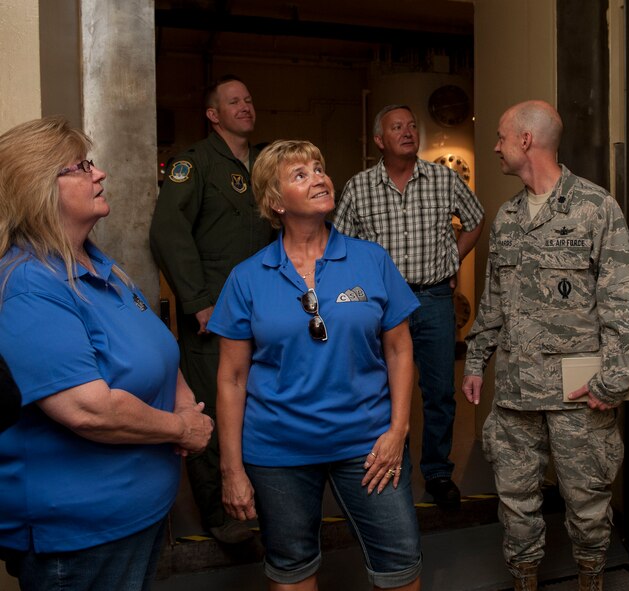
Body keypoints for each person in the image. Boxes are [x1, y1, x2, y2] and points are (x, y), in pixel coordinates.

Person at [0, 116, 213, 590]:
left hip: (134, 517)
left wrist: (182, 406)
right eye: (80, 167)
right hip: (81, 536)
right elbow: (89, 411)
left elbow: (160, 350)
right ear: (40, 188)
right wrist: (182, 428)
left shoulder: (100, 264)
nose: (99, 174)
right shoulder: (28, 285)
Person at [209, 140, 422, 590]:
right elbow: (231, 379)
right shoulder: (247, 277)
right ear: (274, 201)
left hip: (369, 445)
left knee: (400, 562)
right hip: (278, 450)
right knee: (292, 567)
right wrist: (231, 469)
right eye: (300, 174)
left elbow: (400, 351)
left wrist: (398, 431)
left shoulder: (371, 259)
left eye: (319, 168)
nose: (319, 178)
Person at [462, 100, 629, 591]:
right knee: (515, 503)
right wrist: (477, 361)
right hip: (516, 395)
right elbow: (494, 301)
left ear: (526, 140)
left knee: (588, 506)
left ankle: (591, 580)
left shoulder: (594, 207)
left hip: (579, 398)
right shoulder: (505, 218)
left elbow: (626, 307)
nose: (496, 146)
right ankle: (524, 578)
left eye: (502, 136)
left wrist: (612, 382)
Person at [334, 104, 485, 509]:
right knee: (379, 391)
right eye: (396, 127)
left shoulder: (443, 179)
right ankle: (384, 464)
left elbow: (475, 219)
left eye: (411, 126)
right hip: (380, 307)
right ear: (380, 141)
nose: (407, 132)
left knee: (438, 392)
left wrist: (454, 258)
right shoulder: (358, 188)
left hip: (434, 298)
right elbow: (340, 247)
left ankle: (437, 473)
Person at [149, 74, 275, 544]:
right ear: (212, 114)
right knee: (212, 413)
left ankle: (262, 501)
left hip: (265, 310)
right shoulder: (195, 163)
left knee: (259, 406)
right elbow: (167, 230)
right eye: (233, 101)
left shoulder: (265, 163)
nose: (245, 106)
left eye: (248, 98)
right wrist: (198, 300)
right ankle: (221, 516)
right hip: (214, 313)